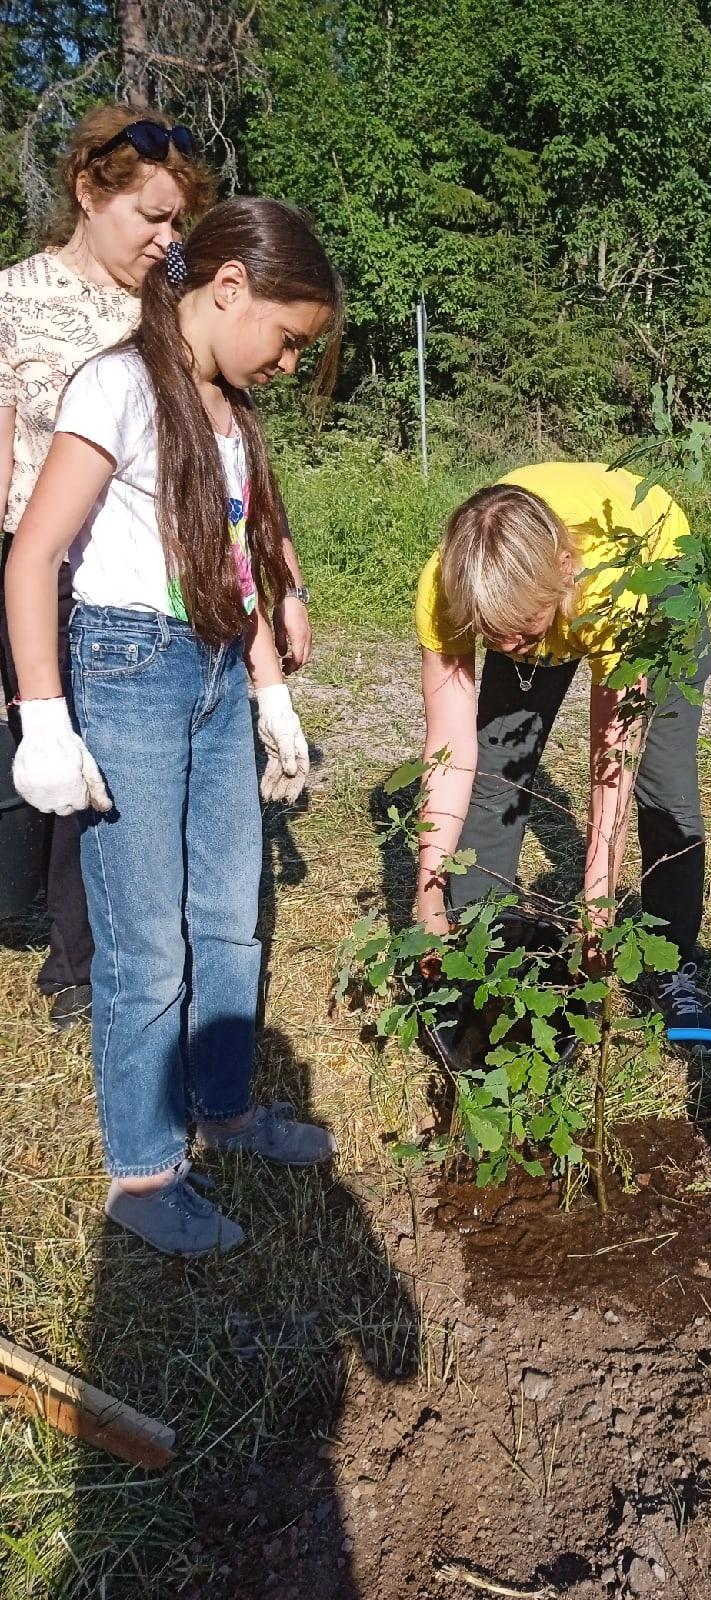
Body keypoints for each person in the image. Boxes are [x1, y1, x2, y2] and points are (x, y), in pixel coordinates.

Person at [5, 196, 342, 1255]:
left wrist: (269, 687)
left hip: (208, 668)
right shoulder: (115, 385)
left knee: (229, 912)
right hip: (124, 670)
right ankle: (145, 1176)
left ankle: (226, 1108)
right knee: (146, 941)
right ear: (229, 288)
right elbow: (31, 558)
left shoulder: (230, 415)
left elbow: (231, 563)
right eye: (287, 339)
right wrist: (46, 722)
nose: (288, 362)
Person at [0, 104, 314, 1028]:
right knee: (59, 773)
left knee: (129, 783)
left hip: (165, 578)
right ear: (87, 192)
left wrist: (282, 581)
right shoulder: (14, 303)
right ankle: (89, 970)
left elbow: (235, 464)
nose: (166, 238)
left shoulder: (174, 299)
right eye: (152, 216)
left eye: (179, 221)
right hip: (45, 560)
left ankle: (131, 959)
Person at [414, 462, 711, 1030]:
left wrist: (596, 905)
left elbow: (613, 757)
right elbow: (448, 748)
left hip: (655, 566)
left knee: (661, 781)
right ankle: (479, 950)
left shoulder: (610, 588)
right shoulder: (452, 584)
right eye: (490, 635)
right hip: (530, 590)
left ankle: (672, 963)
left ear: (563, 570)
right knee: (496, 768)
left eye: (522, 633)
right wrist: (429, 897)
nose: (507, 647)